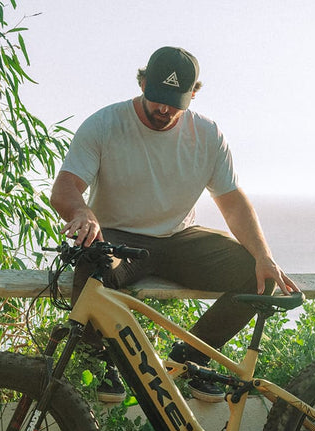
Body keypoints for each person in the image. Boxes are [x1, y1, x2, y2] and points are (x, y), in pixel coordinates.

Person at [50, 46, 298, 404]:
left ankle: (191, 360)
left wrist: (264, 255)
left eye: (175, 101)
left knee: (257, 275)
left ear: (193, 93)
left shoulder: (209, 136)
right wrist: (82, 212)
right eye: (157, 98)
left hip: (179, 237)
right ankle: (106, 363)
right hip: (119, 236)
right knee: (91, 263)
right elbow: (65, 188)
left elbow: (232, 203)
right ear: (142, 82)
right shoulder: (104, 124)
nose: (164, 108)